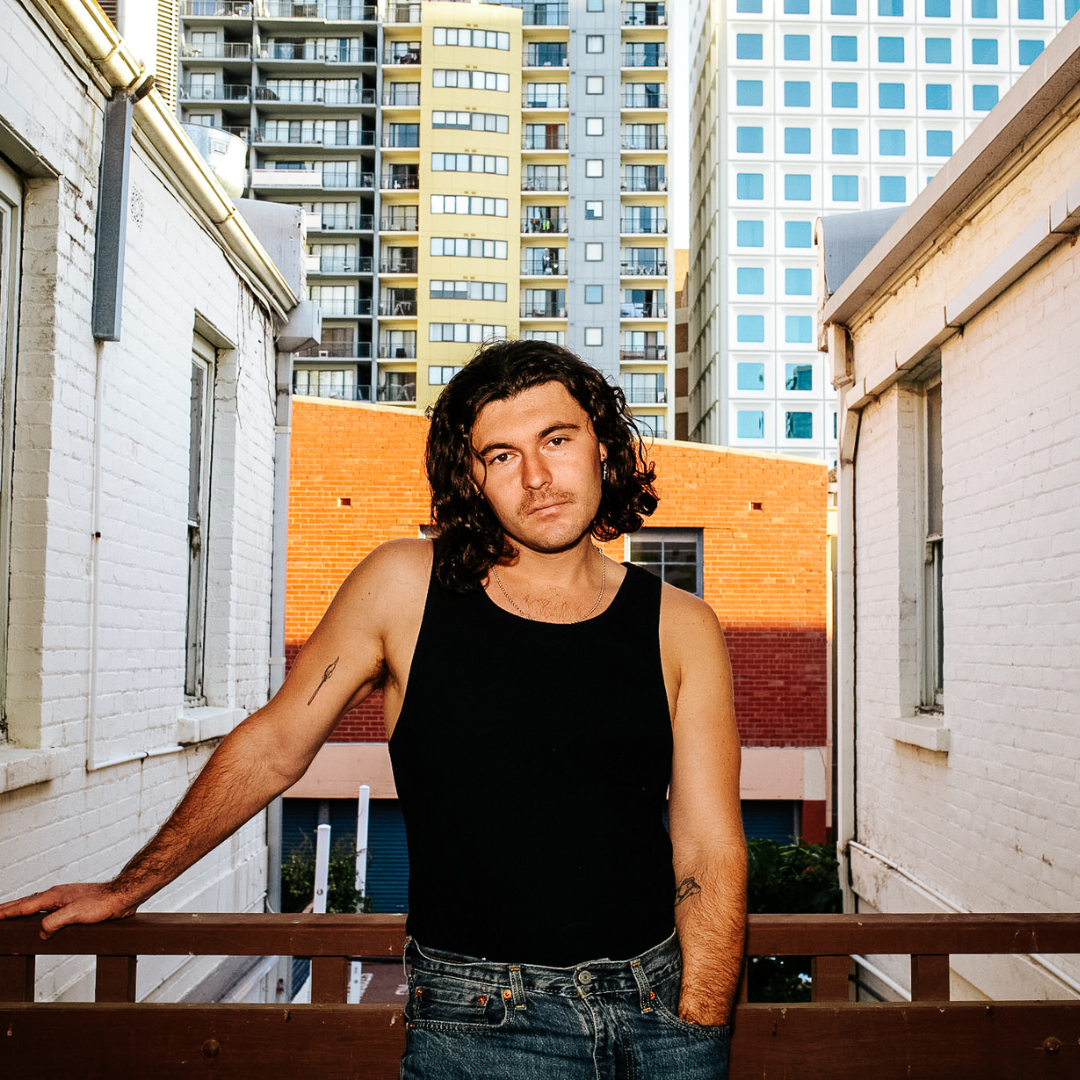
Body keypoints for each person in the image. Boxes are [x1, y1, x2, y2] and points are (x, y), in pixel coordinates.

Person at [0, 339, 746, 1078]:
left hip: (657, 1011)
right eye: (501, 455)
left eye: (557, 439)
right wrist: (130, 886)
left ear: (603, 448)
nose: (538, 477)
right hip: (480, 1024)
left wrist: (700, 1028)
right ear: (472, 477)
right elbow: (273, 745)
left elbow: (709, 846)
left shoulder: (681, 625)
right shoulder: (405, 589)